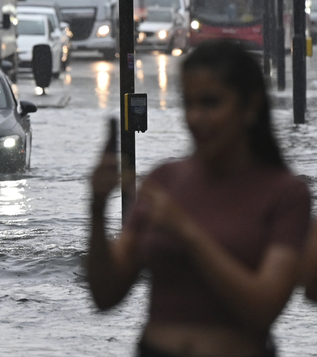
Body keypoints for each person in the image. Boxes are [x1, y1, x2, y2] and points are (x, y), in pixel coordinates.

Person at [88, 40, 311, 357]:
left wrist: (187, 232)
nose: (196, 117)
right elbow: (104, 294)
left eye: (210, 103)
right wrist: (96, 208)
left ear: (250, 106)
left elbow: (263, 308)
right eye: (188, 104)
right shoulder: (164, 180)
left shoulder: (285, 194)